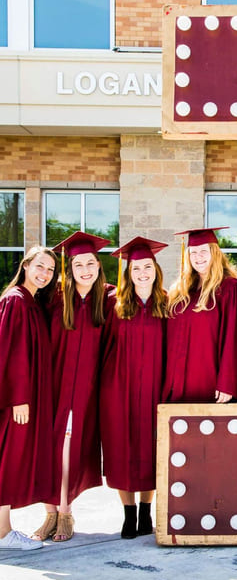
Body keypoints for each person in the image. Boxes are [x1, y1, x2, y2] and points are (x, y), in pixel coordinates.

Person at [32, 232, 111, 543]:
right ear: (70, 268)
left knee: (71, 450)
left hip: (87, 390)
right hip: (53, 387)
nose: (86, 269)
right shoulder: (52, 298)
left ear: (98, 266)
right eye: (79, 264)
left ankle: (65, 511)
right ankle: (49, 513)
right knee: (48, 450)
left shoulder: (107, 299)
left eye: (91, 263)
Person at [100, 237, 167, 539]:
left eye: (147, 267)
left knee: (150, 450)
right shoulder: (114, 304)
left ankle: (145, 513)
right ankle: (128, 516)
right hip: (119, 387)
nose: (142, 272)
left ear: (155, 269)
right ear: (128, 272)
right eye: (136, 267)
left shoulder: (166, 302)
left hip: (154, 387)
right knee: (121, 449)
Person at [0, 247, 58, 550]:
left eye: (49, 269)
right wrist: (18, 398)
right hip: (18, 400)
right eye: (39, 266)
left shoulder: (31, 301)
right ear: (25, 266)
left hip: (28, 398)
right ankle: (3, 533)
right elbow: (11, 353)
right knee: (6, 461)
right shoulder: (15, 301)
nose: (44, 273)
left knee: (11, 461)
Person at [164, 227, 237, 403]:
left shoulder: (230, 288)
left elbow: (233, 337)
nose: (198, 257)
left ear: (215, 253)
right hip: (176, 380)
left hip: (208, 380)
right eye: (193, 252)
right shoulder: (181, 291)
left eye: (203, 251)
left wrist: (228, 382)